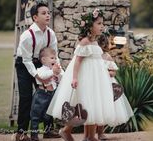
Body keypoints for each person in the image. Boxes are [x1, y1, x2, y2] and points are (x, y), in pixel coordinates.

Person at [47, 8, 116, 141]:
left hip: (96, 78)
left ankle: (90, 136)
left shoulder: (95, 41)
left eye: (102, 23)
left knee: (93, 105)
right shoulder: (84, 41)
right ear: (90, 26)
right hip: (85, 77)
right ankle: (66, 130)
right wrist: (74, 78)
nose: (102, 26)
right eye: (99, 23)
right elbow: (77, 61)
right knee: (81, 106)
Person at [15, 1, 60, 141]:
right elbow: (27, 60)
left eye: (48, 13)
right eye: (44, 13)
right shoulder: (27, 36)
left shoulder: (50, 34)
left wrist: (55, 72)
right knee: (26, 97)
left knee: (48, 94)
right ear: (35, 17)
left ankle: (48, 130)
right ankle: (21, 133)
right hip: (24, 64)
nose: (48, 15)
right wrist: (38, 77)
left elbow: (54, 56)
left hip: (42, 63)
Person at [96, 33, 134, 140]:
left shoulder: (107, 57)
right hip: (95, 84)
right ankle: (91, 133)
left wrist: (105, 72)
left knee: (104, 108)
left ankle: (100, 132)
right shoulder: (93, 57)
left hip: (107, 85)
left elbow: (113, 72)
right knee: (96, 107)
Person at [30, 47, 63, 141]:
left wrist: (59, 73)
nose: (55, 59)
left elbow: (62, 77)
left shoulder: (55, 69)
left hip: (52, 94)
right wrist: (53, 72)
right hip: (41, 94)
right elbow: (42, 76)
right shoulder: (41, 69)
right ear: (44, 59)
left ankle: (47, 132)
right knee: (36, 114)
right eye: (52, 58)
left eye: (55, 58)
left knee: (48, 115)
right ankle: (34, 134)